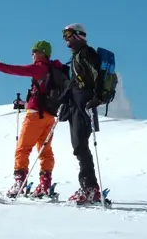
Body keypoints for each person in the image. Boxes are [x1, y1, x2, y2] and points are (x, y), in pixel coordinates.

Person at [0, 40, 66, 199]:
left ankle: (19, 183)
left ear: (42, 53)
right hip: (50, 116)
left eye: (34, 50)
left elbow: (15, 70)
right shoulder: (54, 70)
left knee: (22, 149)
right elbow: (44, 95)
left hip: (35, 115)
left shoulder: (40, 67)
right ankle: (45, 185)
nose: (32, 53)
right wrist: (25, 104)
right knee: (45, 151)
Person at [59, 23, 103, 205]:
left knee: (80, 145)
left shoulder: (86, 53)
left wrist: (97, 98)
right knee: (78, 145)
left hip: (84, 103)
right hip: (77, 104)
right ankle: (89, 187)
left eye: (68, 34)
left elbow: (98, 76)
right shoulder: (77, 56)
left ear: (78, 35)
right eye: (64, 34)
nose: (65, 38)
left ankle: (90, 188)